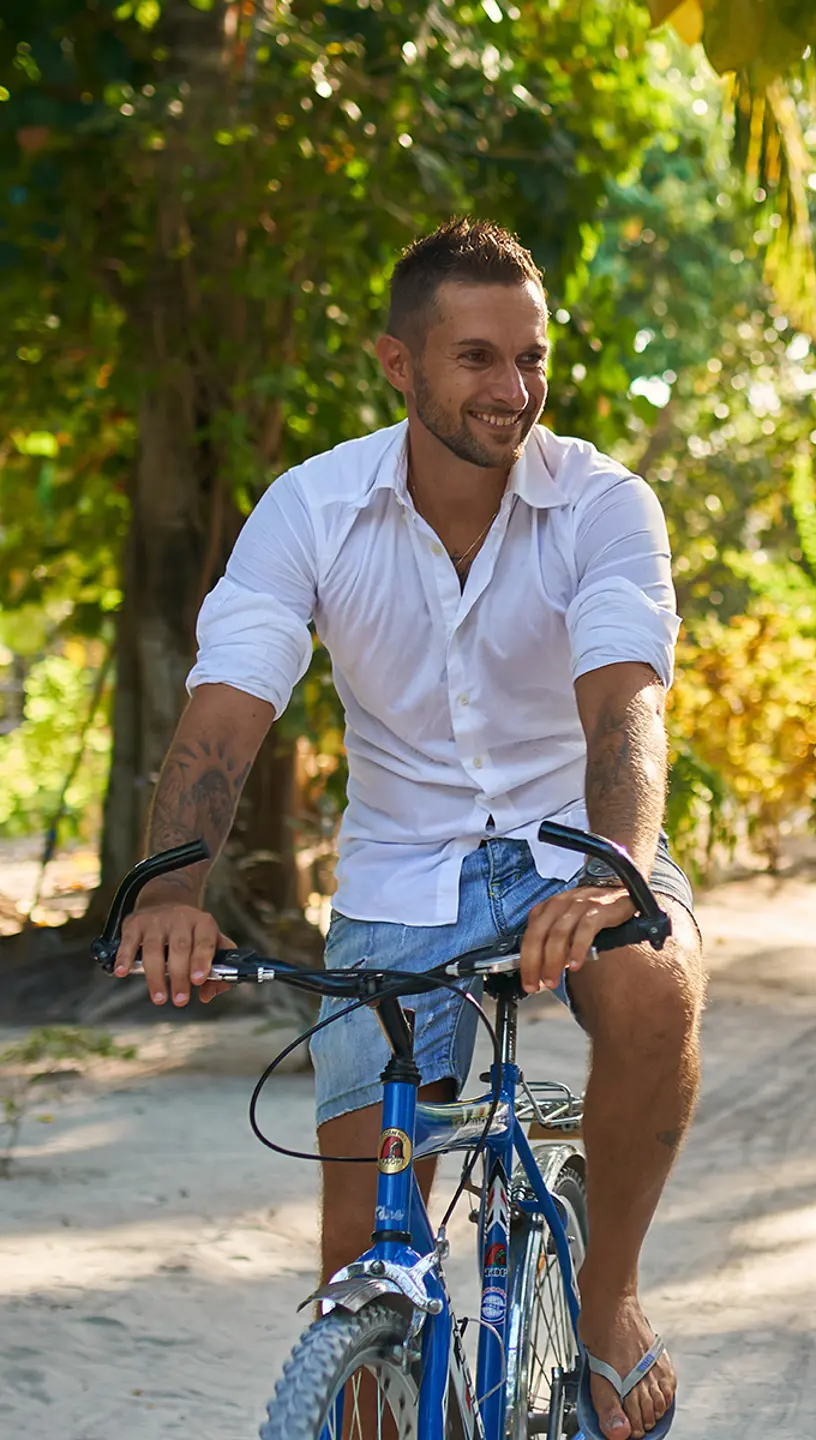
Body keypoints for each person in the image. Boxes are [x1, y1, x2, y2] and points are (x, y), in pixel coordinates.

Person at [112, 219, 696, 1439]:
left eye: (531, 358)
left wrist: (620, 873)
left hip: (568, 849)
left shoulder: (603, 503)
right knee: (355, 1281)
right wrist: (171, 888)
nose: (514, 389)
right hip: (400, 870)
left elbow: (621, 704)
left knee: (652, 981)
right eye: (477, 358)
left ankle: (606, 1299)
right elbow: (230, 706)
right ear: (398, 363)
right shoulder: (312, 507)